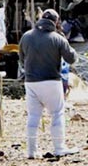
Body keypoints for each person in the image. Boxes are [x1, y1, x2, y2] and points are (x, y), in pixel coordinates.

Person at [19, 9, 78, 158]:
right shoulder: (58, 38)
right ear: (56, 22)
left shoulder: (26, 37)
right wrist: (65, 40)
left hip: (30, 82)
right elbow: (72, 58)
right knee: (57, 113)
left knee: (33, 116)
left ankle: (31, 151)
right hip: (51, 80)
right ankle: (59, 148)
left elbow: (21, 59)